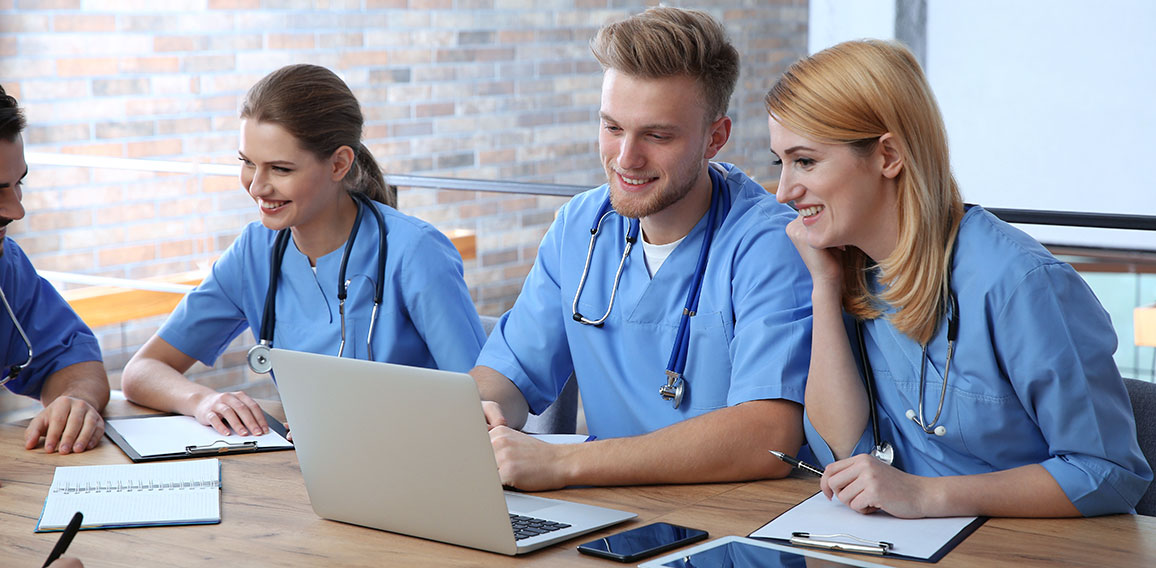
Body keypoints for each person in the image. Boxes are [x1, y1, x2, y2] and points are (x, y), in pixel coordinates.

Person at [766, 39, 1152, 518]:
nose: (783, 191)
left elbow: (1107, 473)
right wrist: (825, 288)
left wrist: (927, 496)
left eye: (805, 161)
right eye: (778, 162)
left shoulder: (1020, 282)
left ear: (887, 156)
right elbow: (841, 451)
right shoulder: (854, 269)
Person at [472, 7, 813, 491]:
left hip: (730, 525)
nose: (626, 159)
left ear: (715, 138)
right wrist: (483, 411)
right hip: (611, 517)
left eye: (657, 135)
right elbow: (507, 373)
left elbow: (769, 437)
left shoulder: (769, 244)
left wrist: (562, 465)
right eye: (613, 128)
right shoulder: (579, 227)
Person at [121, 65, 486, 437]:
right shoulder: (255, 252)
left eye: (280, 169)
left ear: (339, 163)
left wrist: (366, 428)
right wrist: (203, 401)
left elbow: (483, 402)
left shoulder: (415, 252)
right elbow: (143, 371)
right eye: (247, 163)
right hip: (307, 465)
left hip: (409, 463)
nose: (257, 187)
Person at [0, 85, 109, 456]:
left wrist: (75, 402)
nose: (17, 211)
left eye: (19, 184)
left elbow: (70, 360)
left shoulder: (6, 272)